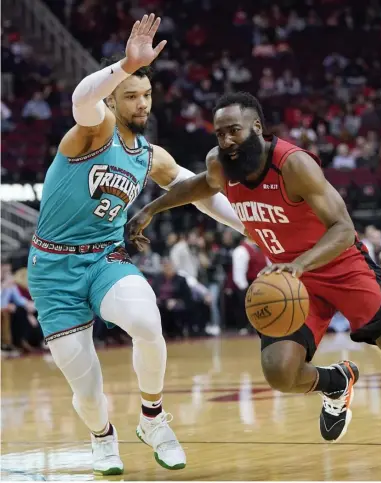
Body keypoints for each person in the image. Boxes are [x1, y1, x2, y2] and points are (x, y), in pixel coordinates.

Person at [129, 91, 381, 443]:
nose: (226, 141)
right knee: (279, 372)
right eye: (219, 134)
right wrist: (152, 209)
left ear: (257, 127)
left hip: (341, 267)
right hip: (292, 282)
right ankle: (337, 382)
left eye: (234, 131)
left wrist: (299, 264)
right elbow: (199, 186)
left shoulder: (293, 164)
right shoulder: (220, 165)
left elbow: (344, 229)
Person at [27, 15, 245, 475]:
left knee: (147, 322)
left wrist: (258, 229)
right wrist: (126, 64)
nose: (141, 103)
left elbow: (203, 194)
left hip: (106, 259)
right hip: (52, 268)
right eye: (131, 94)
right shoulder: (93, 128)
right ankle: (102, 439)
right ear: (113, 98)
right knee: (86, 389)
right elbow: (80, 97)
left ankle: (153, 419)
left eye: (146, 94)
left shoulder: (150, 156)